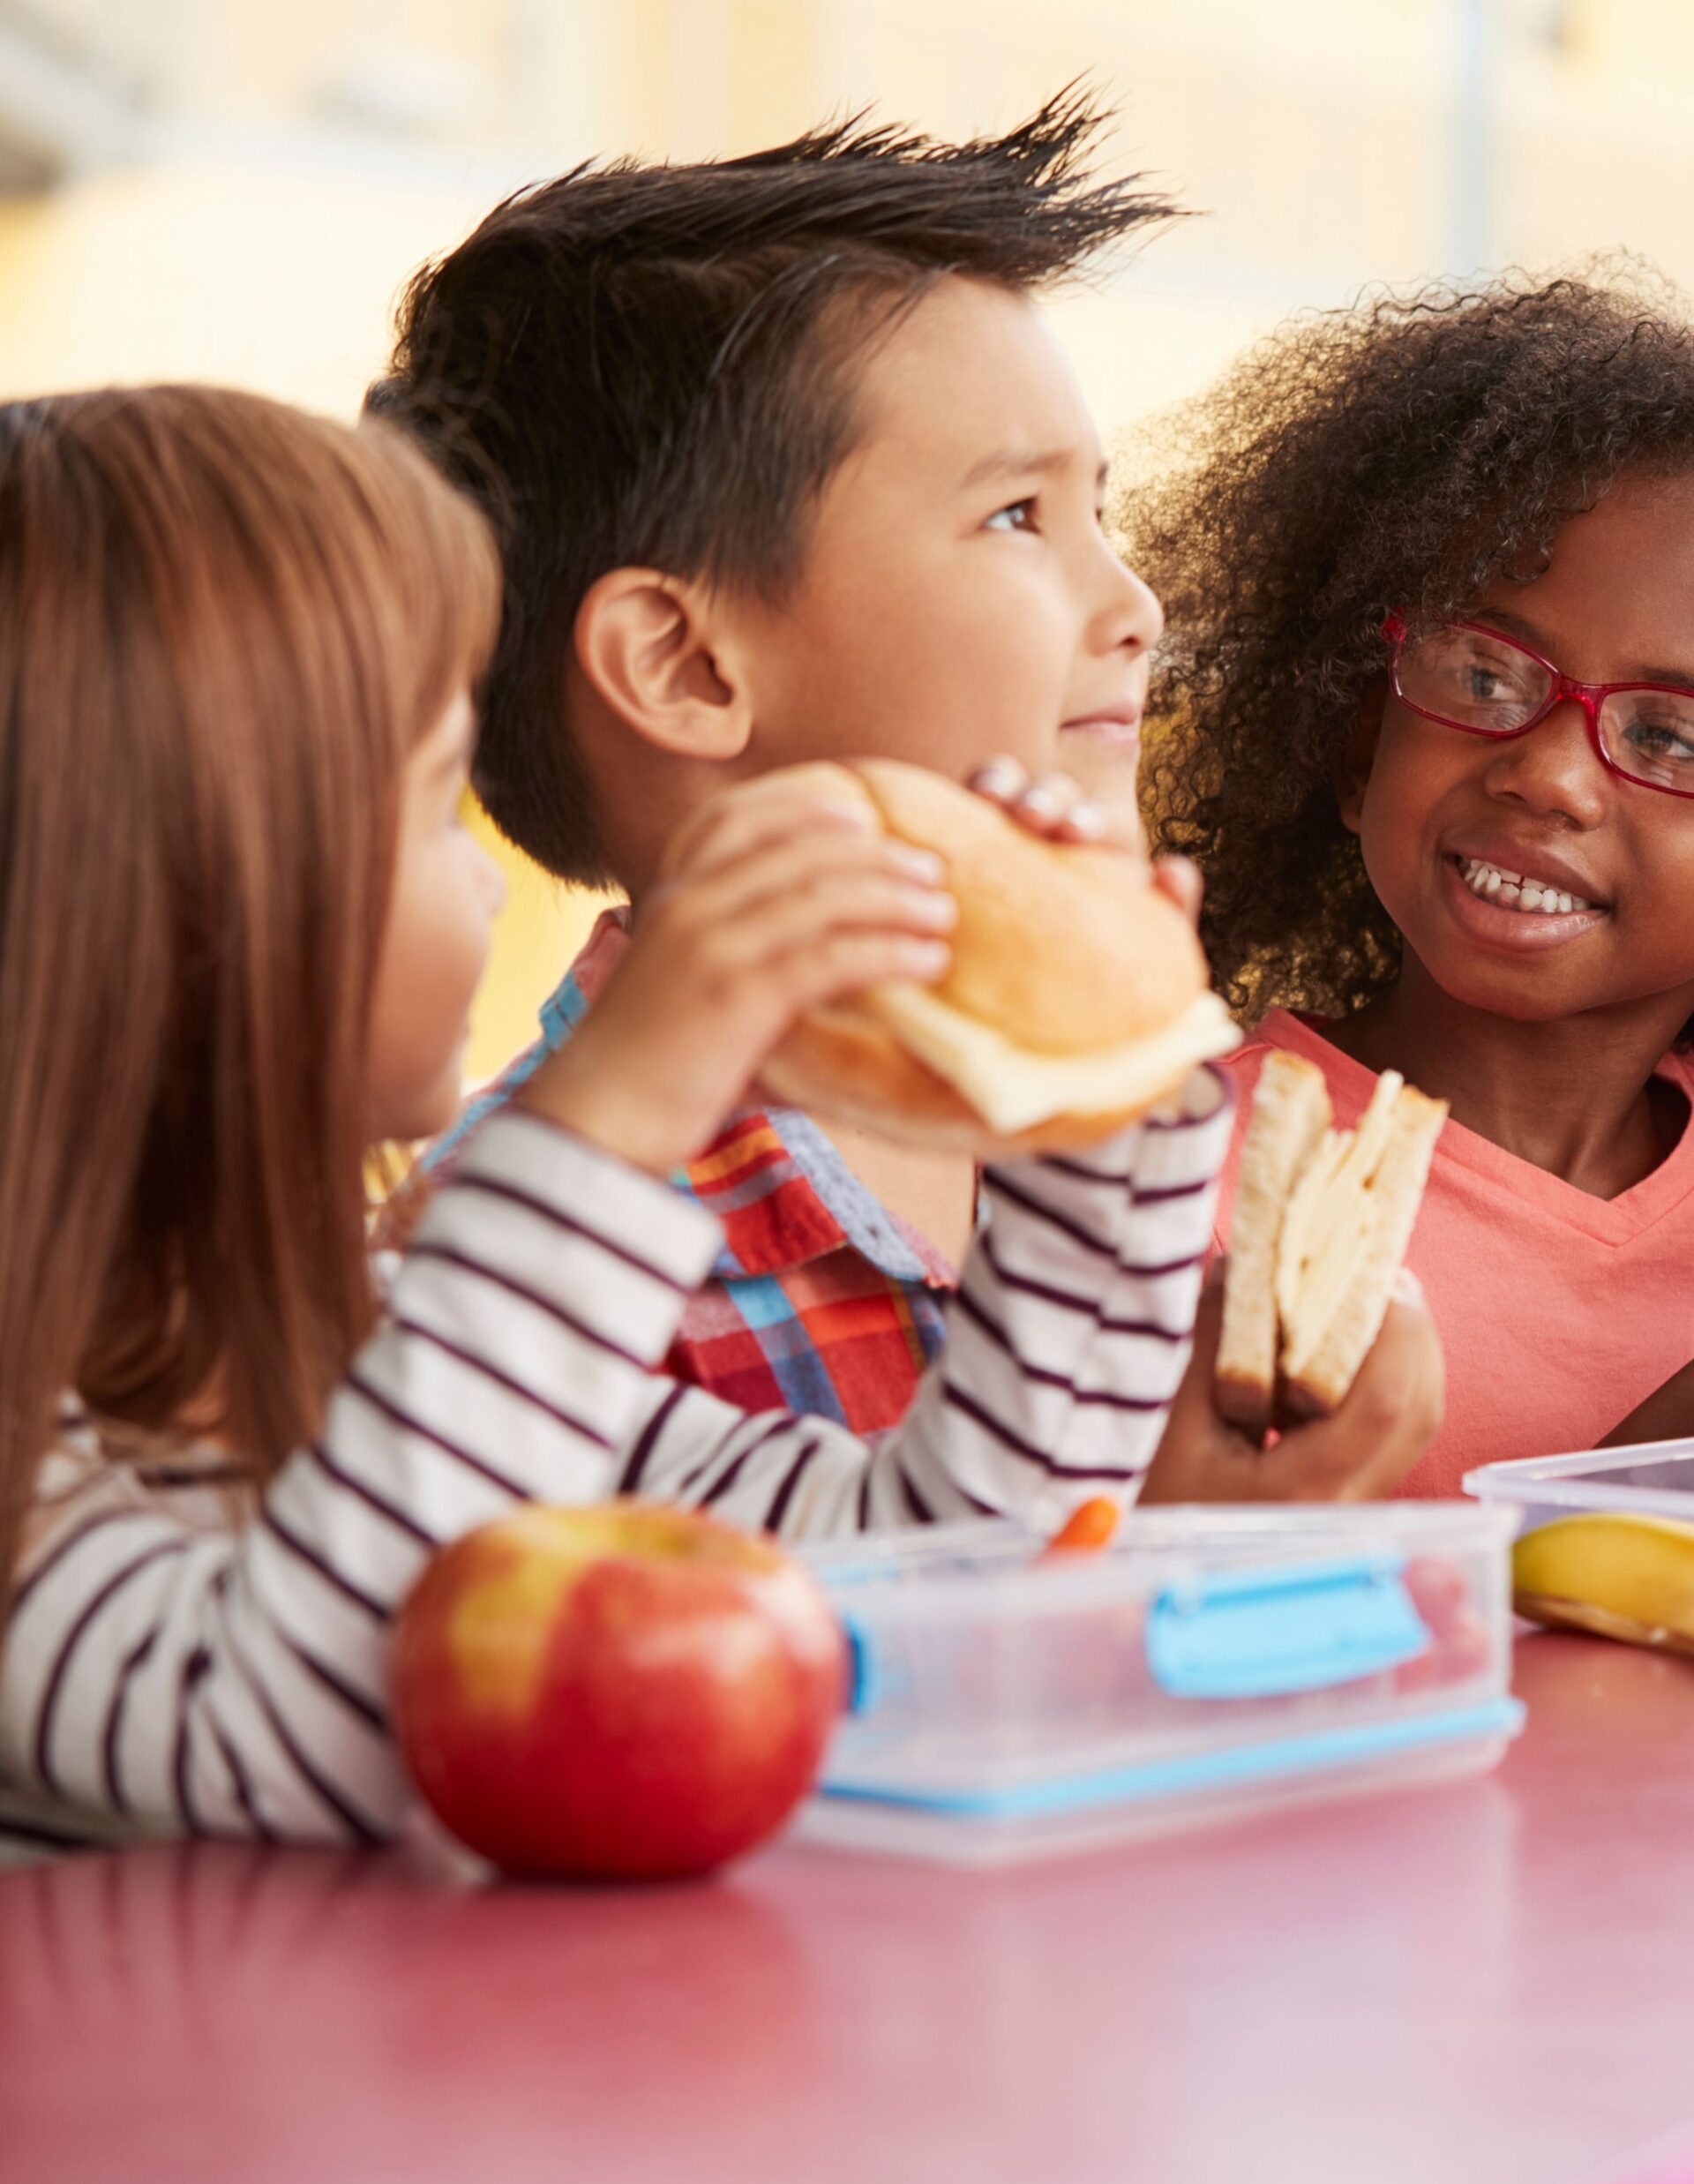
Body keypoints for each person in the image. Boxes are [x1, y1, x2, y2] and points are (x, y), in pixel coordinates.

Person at [0, 385, 1435, 1856]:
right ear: (175, 914)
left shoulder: (370, 1340)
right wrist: (610, 1111)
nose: (491, 883)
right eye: (439, 807)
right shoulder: (46, 1471)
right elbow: (296, 1733)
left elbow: (956, 1577)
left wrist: (1098, 1087)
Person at [365, 93, 1197, 1434]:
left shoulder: (1144, 1155)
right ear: (687, 667)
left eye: (1098, 509)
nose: (1135, 605)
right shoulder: (500, 1302)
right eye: (1016, 515)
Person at [1120, 266, 1694, 1495]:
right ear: (1352, 739)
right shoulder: (1154, 1189)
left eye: (1675, 739)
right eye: (1485, 673)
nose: (1550, 776)